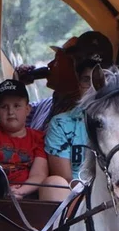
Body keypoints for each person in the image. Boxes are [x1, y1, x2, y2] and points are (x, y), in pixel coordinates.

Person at [18, 30, 114, 132]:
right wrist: (17, 86)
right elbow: (16, 115)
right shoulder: (50, 104)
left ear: (74, 69)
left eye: (57, 60)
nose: (50, 65)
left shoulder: (90, 117)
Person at [38, 57, 103, 202]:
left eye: (99, 80)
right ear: (79, 85)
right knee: (54, 184)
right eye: (87, 80)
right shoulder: (61, 123)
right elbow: (65, 178)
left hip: (111, 192)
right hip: (74, 195)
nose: (93, 86)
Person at [0, 79, 47, 199]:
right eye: (4, 107)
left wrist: (20, 192)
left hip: (28, 196)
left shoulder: (38, 138)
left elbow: (39, 174)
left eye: (17, 106)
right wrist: (3, 190)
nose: (10, 112)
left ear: (28, 109)